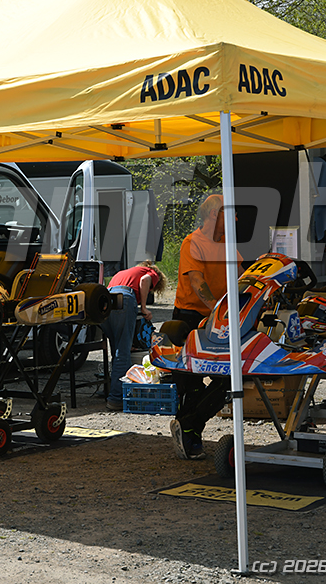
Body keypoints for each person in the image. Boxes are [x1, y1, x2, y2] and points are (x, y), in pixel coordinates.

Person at [169, 194, 243, 460]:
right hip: (190, 317)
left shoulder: (227, 244)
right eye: (231, 213)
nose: (236, 219)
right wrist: (218, 309)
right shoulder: (193, 242)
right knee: (191, 383)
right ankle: (191, 434)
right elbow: (197, 282)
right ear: (214, 215)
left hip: (219, 318)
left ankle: (188, 425)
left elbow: (242, 277)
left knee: (229, 378)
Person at [101, 261, 166, 411]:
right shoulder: (151, 272)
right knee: (123, 353)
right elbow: (145, 280)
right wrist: (143, 307)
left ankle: (114, 390)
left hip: (105, 301)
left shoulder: (123, 272)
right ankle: (116, 398)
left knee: (117, 351)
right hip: (124, 299)